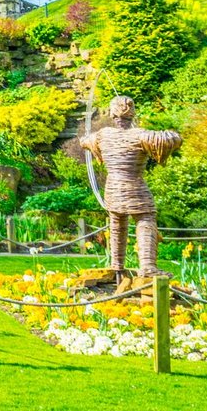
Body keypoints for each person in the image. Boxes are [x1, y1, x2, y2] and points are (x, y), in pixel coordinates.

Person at [80, 95, 181, 276]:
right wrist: (175, 135)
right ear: (132, 114)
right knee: (145, 219)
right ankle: (148, 266)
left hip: (113, 188)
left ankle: (117, 263)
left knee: (117, 220)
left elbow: (84, 141)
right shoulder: (141, 135)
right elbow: (170, 139)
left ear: (112, 114)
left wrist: (88, 139)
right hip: (134, 186)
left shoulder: (103, 135)